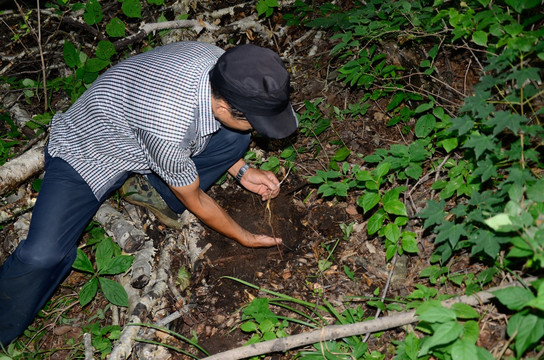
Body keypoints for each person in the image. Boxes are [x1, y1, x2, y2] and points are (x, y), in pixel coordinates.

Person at [0, 41, 298, 346]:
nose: (260, 131)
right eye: (256, 121)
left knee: (236, 138)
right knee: (42, 255)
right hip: (90, 151)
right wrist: (243, 236)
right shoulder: (168, 126)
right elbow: (195, 199)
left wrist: (243, 171)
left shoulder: (226, 67)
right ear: (223, 107)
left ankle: (150, 187)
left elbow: (209, 125)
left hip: (141, 126)